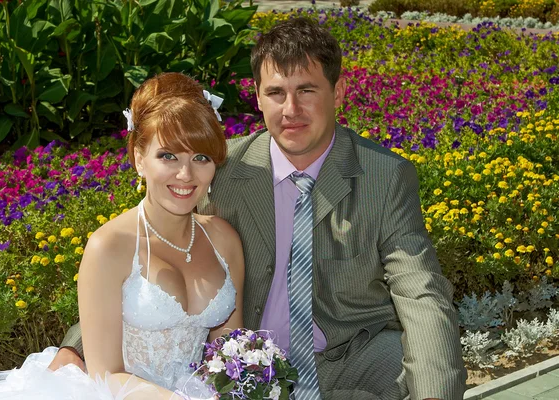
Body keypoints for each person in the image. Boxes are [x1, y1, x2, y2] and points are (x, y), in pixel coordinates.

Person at [56, 17, 467, 399]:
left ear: (337, 91)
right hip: (245, 363)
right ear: (257, 98)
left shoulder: (384, 177)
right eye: (276, 93)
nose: (291, 110)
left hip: (346, 358)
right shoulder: (221, 168)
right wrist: (78, 345)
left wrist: (433, 394)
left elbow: (422, 293)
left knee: (409, 365)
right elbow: (149, 242)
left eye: (306, 90)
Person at [0, 72, 245, 400]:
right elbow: (106, 373)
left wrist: (245, 378)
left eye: (201, 158)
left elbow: (230, 343)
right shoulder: (110, 246)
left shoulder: (224, 239)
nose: (186, 174)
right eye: (168, 156)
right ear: (139, 158)